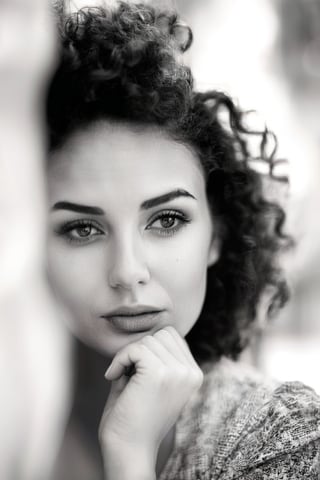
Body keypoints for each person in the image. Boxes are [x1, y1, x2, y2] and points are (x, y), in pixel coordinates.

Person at [45, 2, 320, 479]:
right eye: (82, 228)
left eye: (167, 219)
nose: (128, 270)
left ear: (219, 234)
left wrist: (130, 457)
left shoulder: (281, 438)